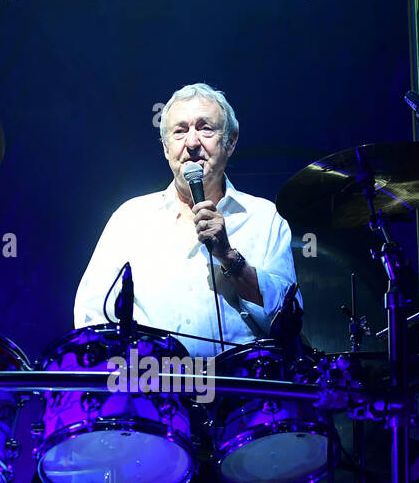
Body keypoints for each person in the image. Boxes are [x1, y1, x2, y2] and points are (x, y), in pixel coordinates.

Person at [72, 83, 302, 358]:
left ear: (230, 141)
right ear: (167, 148)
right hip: (153, 391)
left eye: (206, 128)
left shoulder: (264, 218)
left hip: (241, 393)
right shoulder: (130, 218)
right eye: (180, 131)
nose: (192, 143)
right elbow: (91, 316)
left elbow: (289, 321)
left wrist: (230, 258)